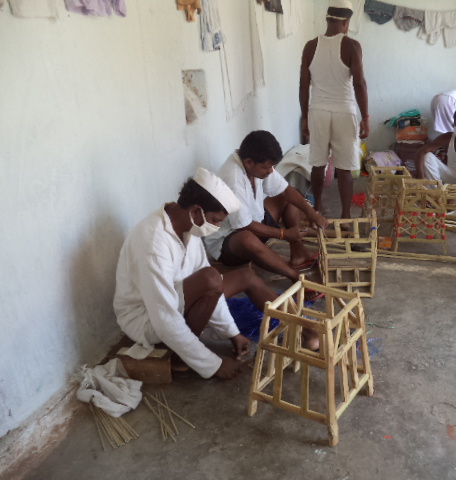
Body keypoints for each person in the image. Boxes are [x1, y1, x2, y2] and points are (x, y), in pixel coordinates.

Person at [114, 168, 278, 380]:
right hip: (145, 318)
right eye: (215, 220)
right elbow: (164, 318)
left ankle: (186, 348)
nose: (217, 226)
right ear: (196, 211)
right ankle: (182, 358)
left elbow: (212, 286)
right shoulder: (153, 242)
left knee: (219, 277)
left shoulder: (187, 227)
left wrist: (232, 333)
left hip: (170, 303)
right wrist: (212, 365)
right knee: (210, 278)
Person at [203, 130, 328, 302]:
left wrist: (312, 213)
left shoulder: (257, 165)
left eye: (272, 167)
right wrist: (284, 234)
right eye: (266, 167)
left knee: (291, 196)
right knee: (247, 238)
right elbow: (244, 225)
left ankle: (298, 254)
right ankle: (295, 276)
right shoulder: (232, 177)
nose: (270, 171)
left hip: (255, 222)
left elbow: (285, 190)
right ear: (249, 162)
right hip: (228, 242)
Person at [299, 0, 369, 219]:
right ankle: (346, 217)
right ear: (346, 23)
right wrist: (365, 115)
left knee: (318, 164)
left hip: (318, 111)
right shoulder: (351, 45)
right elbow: (360, 84)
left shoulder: (310, 46)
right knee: (345, 168)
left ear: (327, 19)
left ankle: (317, 210)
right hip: (344, 112)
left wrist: (305, 116)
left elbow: (303, 84)